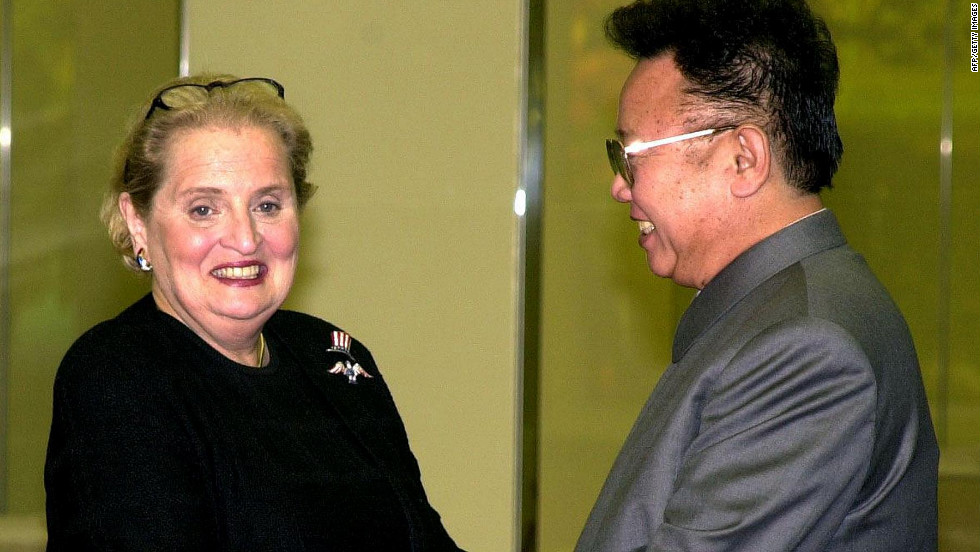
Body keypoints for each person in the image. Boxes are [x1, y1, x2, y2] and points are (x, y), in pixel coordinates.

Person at [45, 74, 463, 551]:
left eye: (267, 205)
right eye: (204, 209)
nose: (245, 239)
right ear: (138, 223)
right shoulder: (118, 376)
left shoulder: (334, 360)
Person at [577, 1, 938, 550]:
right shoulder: (778, 311)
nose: (620, 186)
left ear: (743, 158)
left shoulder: (807, 348)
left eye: (632, 155)